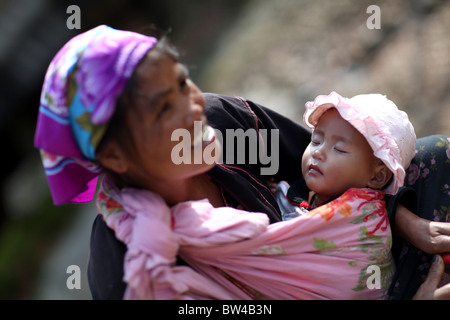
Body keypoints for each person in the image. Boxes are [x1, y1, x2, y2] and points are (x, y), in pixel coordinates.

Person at [34, 25, 450, 299]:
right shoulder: (136, 268)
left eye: (182, 82)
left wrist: (406, 222)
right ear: (113, 155)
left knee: (434, 156)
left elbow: (345, 174)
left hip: (361, 268)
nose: (191, 109)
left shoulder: (227, 129)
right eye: (163, 110)